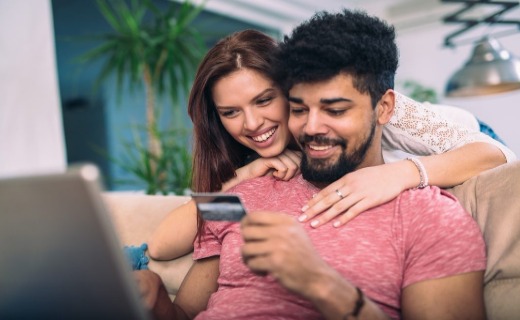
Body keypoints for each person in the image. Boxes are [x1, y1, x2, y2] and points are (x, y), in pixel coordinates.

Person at [136, 9, 487, 319]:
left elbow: (493, 153)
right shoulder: (248, 190)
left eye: (335, 110)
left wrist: (319, 282)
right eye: (300, 109)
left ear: (384, 108)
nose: (312, 127)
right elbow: (170, 267)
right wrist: (155, 302)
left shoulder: (429, 214)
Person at [146, 27, 514, 262]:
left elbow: (498, 155)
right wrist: (243, 175)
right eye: (231, 112)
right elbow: (165, 245)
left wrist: (399, 174)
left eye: (263, 100)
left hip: (468, 135)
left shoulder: (374, 111)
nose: (252, 124)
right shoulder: (253, 159)